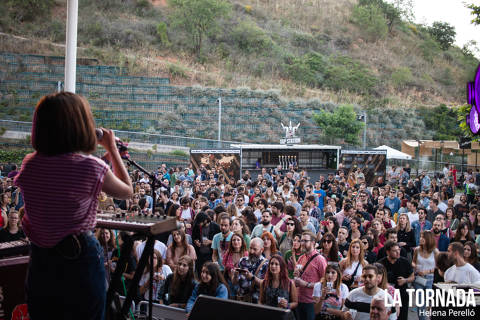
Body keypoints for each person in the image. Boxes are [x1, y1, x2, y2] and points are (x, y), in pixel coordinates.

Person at [14, 92, 133, 319]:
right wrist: (113, 150)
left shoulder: (29, 164)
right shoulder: (91, 167)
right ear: (80, 125)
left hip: (41, 261)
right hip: (80, 260)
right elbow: (127, 191)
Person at [294, 231, 327, 320]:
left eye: (305, 241)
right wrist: (296, 275)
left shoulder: (320, 260)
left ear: (313, 242)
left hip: (311, 302)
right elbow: (297, 275)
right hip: (298, 299)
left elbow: (325, 282)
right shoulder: (301, 257)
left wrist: (306, 284)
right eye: (301, 241)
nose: (302, 243)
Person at [378, 240, 414, 320]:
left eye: (399, 250)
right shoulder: (381, 264)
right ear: (388, 252)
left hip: (402, 294)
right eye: (394, 251)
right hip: (386, 295)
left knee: (402, 317)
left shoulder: (405, 262)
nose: (398, 252)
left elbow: (412, 277)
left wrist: (405, 280)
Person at [411, 231, 437, 320]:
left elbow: (438, 267)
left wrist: (427, 271)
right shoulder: (417, 249)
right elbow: (413, 262)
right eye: (420, 236)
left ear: (428, 239)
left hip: (430, 278)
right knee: (420, 302)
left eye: (423, 237)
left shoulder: (435, 251)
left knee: (430, 301)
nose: (421, 239)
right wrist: (416, 267)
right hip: (419, 278)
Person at [234, 237, 269, 303]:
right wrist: (235, 275)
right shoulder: (242, 261)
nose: (251, 251)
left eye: (255, 249)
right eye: (250, 248)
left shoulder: (266, 264)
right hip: (241, 299)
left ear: (262, 250)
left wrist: (252, 278)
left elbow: (266, 285)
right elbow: (234, 283)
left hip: (256, 302)